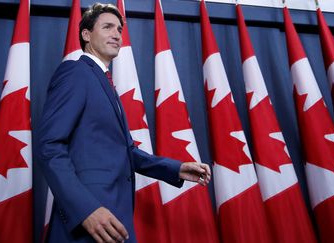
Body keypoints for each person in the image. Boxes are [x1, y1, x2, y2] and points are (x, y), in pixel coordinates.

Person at [37, 3, 211, 243]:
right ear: (86, 35)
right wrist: (85, 209)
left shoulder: (105, 82)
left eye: (119, 29)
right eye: (107, 27)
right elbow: (49, 145)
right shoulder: (75, 72)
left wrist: (175, 168)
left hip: (116, 216)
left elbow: (125, 151)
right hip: (90, 216)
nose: (116, 34)